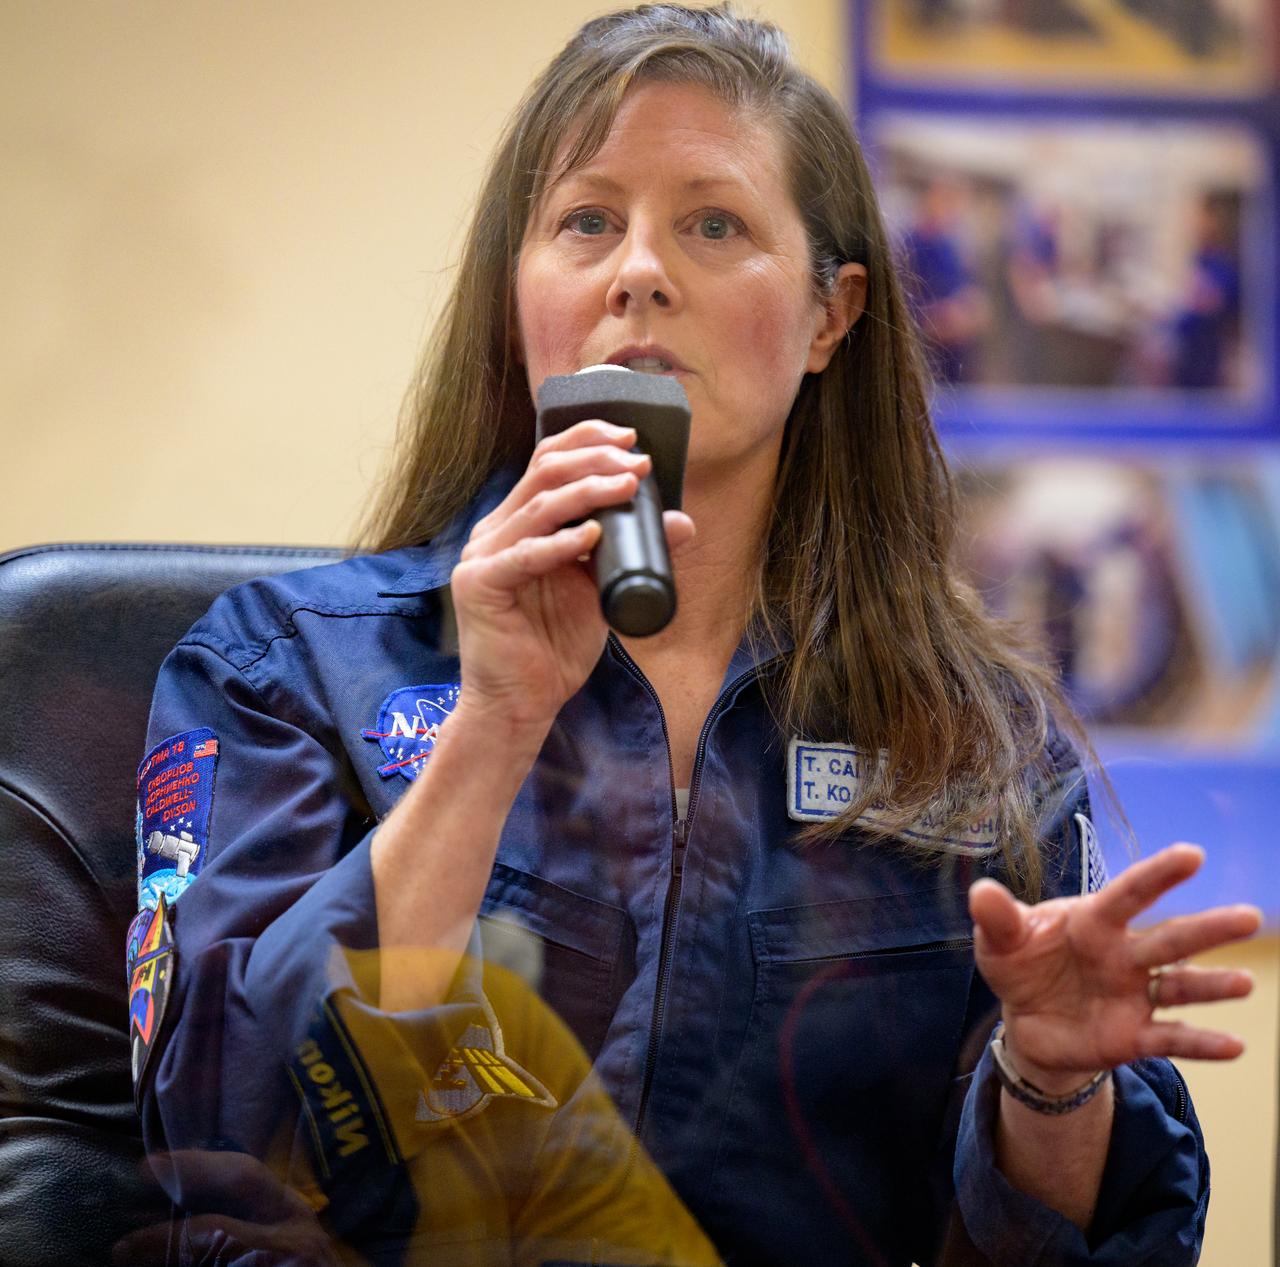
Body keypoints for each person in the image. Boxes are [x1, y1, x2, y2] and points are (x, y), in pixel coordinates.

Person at [125, 6, 1262, 1264]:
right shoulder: (284, 666)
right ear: (518, 295)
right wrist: (494, 726)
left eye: (712, 224)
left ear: (830, 316)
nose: (637, 273)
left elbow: (1099, 1241)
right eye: (585, 222)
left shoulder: (970, 732)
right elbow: (216, 1131)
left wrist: (1049, 1081)